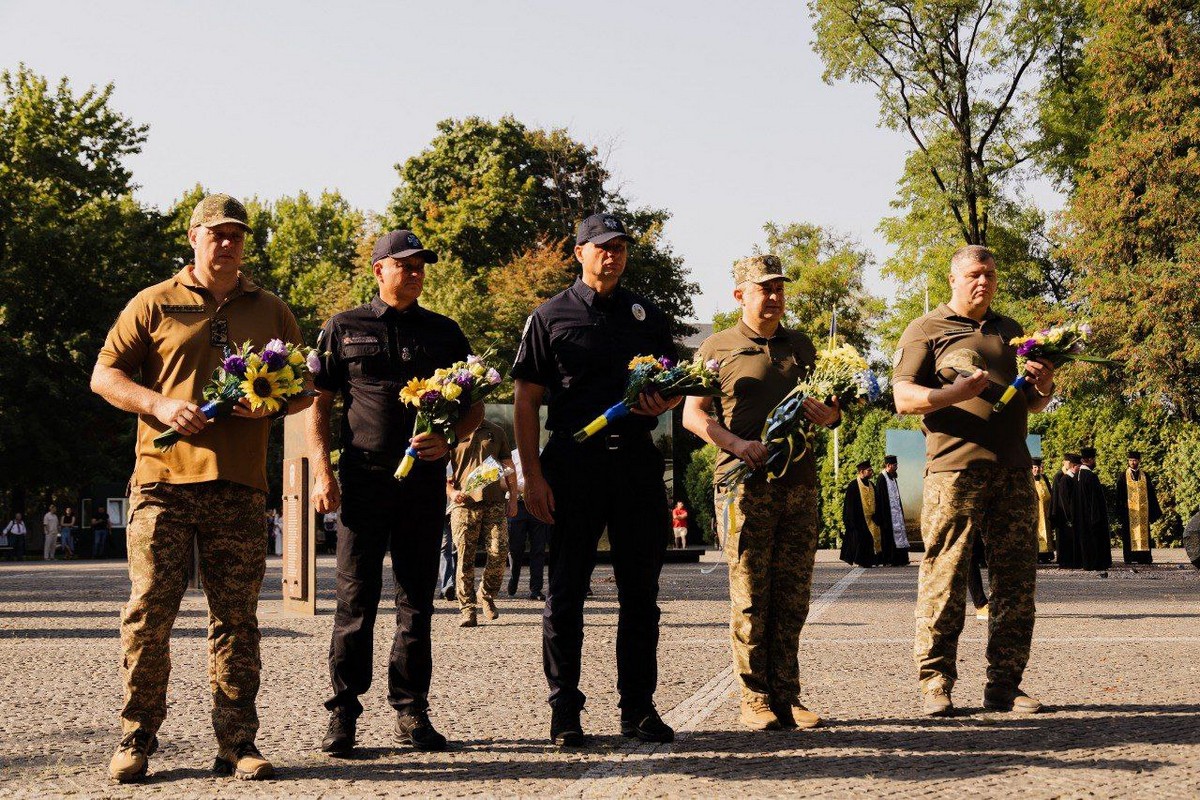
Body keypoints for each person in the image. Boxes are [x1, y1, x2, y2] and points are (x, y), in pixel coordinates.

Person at [91, 192, 311, 782]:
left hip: (239, 486)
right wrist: (158, 404)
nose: (227, 242)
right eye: (216, 233)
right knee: (148, 614)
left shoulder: (271, 309)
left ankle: (238, 744)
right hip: (162, 483)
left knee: (237, 618)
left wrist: (264, 404)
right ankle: (135, 738)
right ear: (193, 236)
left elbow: (304, 388)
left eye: (236, 233)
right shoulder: (155, 302)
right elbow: (104, 375)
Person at [308, 229, 482, 757]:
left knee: (417, 602)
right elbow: (319, 405)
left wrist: (450, 441)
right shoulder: (344, 327)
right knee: (354, 600)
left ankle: (411, 710)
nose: (414, 272)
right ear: (378, 269)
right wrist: (323, 472)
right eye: (404, 264)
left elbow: (474, 405)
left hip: (423, 484)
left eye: (421, 265)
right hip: (362, 477)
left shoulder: (445, 333)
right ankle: (343, 714)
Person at [513, 211, 678, 747]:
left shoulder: (647, 315)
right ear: (579, 252)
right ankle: (565, 710)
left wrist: (664, 399)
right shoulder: (550, 315)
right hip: (572, 465)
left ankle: (638, 708)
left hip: (634, 463)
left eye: (621, 247)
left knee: (640, 594)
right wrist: (532, 476)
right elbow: (526, 400)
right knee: (564, 593)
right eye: (602, 246)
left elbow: (674, 386)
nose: (613, 255)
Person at [893, 244, 1057, 717]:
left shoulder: (1010, 331)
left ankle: (1005, 684)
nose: (982, 282)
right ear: (953, 279)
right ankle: (935, 682)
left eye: (989, 274)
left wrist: (1043, 385)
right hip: (954, 469)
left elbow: (1028, 404)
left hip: (1012, 468)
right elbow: (903, 397)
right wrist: (951, 393)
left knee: (1016, 582)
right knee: (943, 576)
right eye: (973, 275)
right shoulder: (927, 329)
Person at [683, 254, 840, 732]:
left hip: (798, 483)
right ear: (740, 295)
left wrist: (828, 416)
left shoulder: (802, 346)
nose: (773, 297)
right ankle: (754, 699)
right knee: (751, 593)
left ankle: (786, 694)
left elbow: (833, 410)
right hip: (742, 485)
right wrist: (735, 444)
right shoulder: (718, 346)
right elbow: (694, 414)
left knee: (793, 595)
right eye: (764, 288)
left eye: (779, 288)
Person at [447, 418, 519, 627]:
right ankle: (467, 609)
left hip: (494, 502)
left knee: (500, 550)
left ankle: (486, 595)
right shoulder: (453, 430)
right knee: (465, 556)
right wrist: (452, 493)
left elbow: (508, 465)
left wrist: (513, 498)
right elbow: (442, 472)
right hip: (464, 505)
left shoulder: (496, 431)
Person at [507, 450, 550, 601]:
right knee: (515, 548)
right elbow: (505, 480)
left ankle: (536, 589)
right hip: (517, 505)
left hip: (537, 505)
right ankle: (514, 578)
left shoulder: (543, 454)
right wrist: (524, 487)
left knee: (538, 549)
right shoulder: (511, 455)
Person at [1115, 450, 1161, 565]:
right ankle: (1130, 557)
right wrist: (1120, 510)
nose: (1132, 462)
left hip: (1143, 513)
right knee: (1128, 535)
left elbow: (1151, 494)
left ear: (1139, 461)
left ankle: (1144, 558)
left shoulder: (1145, 476)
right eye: (1130, 460)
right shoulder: (1122, 476)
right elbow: (1119, 495)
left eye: (1135, 460)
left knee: (1144, 533)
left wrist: (1154, 511)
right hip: (1129, 512)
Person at [841, 461, 888, 567]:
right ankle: (863, 562)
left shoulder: (871, 485)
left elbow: (877, 501)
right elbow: (849, 505)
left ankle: (873, 560)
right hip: (859, 520)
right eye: (869, 470)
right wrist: (851, 521)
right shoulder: (853, 486)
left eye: (871, 470)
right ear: (861, 472)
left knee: (874, 538)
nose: (871, 472)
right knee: (863, 541)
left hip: (872, 519)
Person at [1074, 446, 1112, 574]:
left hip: (1083, 516)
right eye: (1094, 459)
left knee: (1087, 540)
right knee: (1095, 540)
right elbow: (1095, 500)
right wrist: (1097, 517)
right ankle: (1097, 563)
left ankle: (1088, 563)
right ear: (1090, 460)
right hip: (1092, 516)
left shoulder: (1079, 474)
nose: (1095, 462)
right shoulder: (1090, 476)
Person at [874, 455, 910, 566]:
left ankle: (901, 559)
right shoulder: (881, 478)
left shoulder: (893, 477)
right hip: (887, 515)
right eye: (894, 465)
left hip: (896, 513)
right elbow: (880, 499)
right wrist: (882, 517)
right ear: (888, 465)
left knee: (900, 535)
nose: (896, 467)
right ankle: (889, 559)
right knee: (889, 537)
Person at [1052, 454, 1081, 568]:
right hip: (1066, 516)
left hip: (1072, 516)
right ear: (1073, 466)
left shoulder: (1073, 478)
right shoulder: (1064, 479)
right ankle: (1066, 562)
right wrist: (1069, 516)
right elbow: (1064, 501)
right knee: (1065, 540)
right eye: (1079, 466)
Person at [1032, 458, 1056, 564]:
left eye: (1038, 467)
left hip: (1045, 511)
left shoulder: (1044, 478)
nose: (1036, 470)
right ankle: (1036, 555)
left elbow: (1050, 492)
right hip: (1034, 511)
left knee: (1047, 531)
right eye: (1034, 467)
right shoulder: (1028, 479)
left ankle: (1046, 555)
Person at [438, 513, 457, 601]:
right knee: (445, 547)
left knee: (456, 548)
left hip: (462, 509)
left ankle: (455, 587)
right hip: (445, 510)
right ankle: (448, 586)